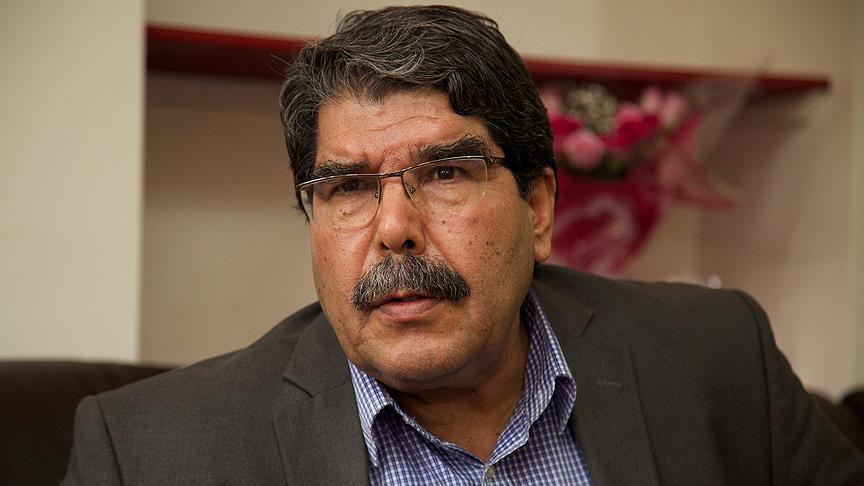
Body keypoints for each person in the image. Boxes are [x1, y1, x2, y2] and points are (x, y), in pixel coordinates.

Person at [64, 5, 864, 485]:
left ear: (538, 208)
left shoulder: (718, 358)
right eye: (347, 187)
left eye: (445, 172)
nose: (393, 227)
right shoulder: (147, 455)